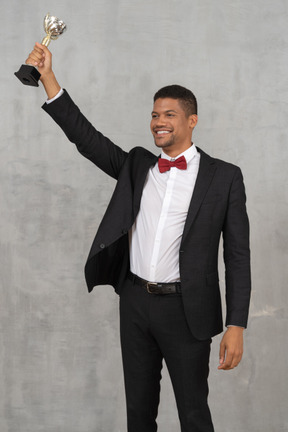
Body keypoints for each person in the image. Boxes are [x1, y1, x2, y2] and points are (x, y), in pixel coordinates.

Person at [25, 42, 251, 432]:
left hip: (187, 310)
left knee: (194, 415)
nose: (158, 122)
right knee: (139, 416)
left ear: (192, 120)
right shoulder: (137, 165)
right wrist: (48, 78)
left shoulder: (224, 177)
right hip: (135, 304)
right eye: (154, 115)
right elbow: (87, 139)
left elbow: (237, 255)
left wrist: (236, 324)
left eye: (169, 115)